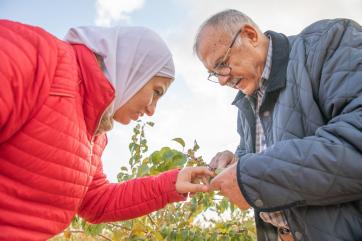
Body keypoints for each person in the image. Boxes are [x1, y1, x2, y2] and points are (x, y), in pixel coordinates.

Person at [0, 20, 214, 241]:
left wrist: (172, 183)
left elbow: (95, 201)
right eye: (157, 91)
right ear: (134, 68)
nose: (152, 110)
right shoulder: (39, 56)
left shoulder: (94, 132)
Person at [194, 9, 362, 241]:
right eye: (215, 74)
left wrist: (250, 175)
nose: (222, 80)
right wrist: (236, 162)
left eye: (222, 64)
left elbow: (356, 143)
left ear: (251, 35)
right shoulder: (246, 104)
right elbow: (260, 162)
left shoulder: (330, 43)